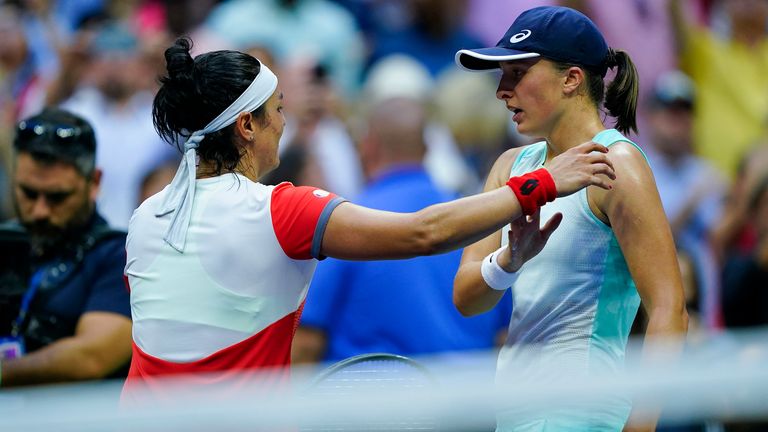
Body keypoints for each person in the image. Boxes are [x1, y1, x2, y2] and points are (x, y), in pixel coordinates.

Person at [122, 37, 616, 400]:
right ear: (246, 126)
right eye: (278, 109)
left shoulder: (144, 217)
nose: (285, 122)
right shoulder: (279, 210)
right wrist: (544, 182)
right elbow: (426, 232)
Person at [452, 6, 688, 431]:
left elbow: (669, 310)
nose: (502, 91)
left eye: (517, 73)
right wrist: (510, 260)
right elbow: (467, 299)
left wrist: (642, 426)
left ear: (571, 79)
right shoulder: (510, 166)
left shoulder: (618, 166)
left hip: (586, 417)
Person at [293, 97, 510, 364]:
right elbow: (505, 334)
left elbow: (306, 341)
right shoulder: (478, 221)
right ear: (427, 149)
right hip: (469, 398)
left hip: (370, 401)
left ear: (367, 147)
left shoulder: (346, 224)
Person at [0, 108, 132, 387]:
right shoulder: (5, 240)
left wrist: (6, 372)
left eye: (57, 197)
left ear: (94, 183)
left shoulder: (119, 255)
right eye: (28, 193)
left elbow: (92, 357)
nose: (40, 211)